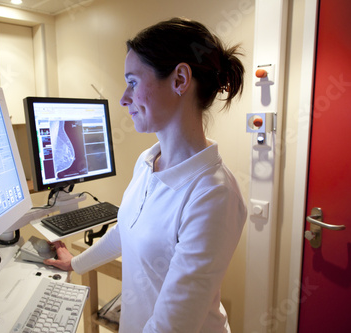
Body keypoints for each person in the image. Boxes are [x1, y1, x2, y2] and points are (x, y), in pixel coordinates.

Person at [44, 17, 247, 333]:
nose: (124, 98)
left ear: (180, 79)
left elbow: (171, 326)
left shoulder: (213, 194)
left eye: (133, 82)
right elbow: (126, 229)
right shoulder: (147, 161)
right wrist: (76, 263)